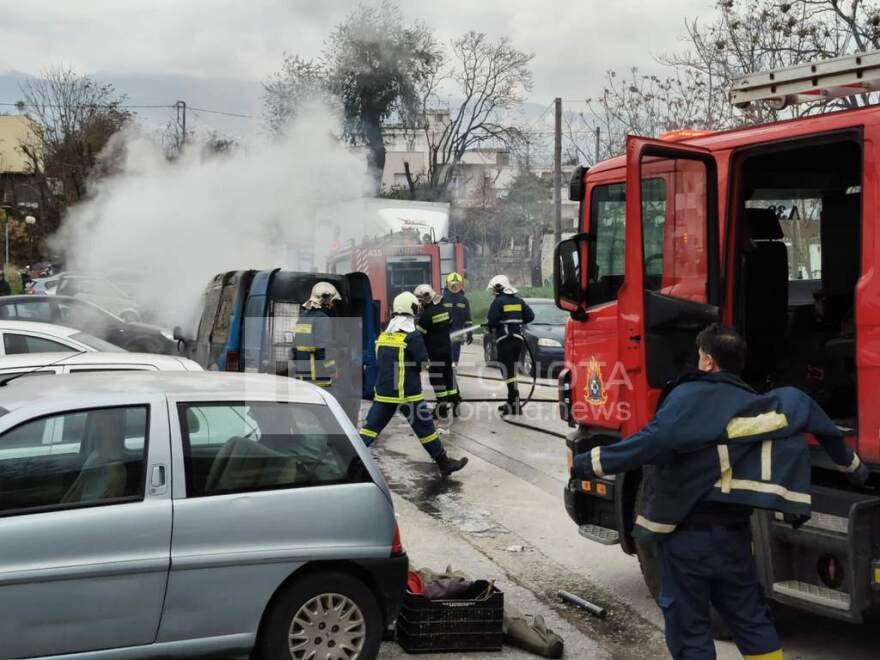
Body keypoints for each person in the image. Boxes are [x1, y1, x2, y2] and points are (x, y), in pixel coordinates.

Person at [571, 324, 869, 660]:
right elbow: (819, 420)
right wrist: (857, 471)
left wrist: (589, 462)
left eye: (700, 356)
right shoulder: (761, 404)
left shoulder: (688, 397)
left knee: (690, 630)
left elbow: (654, 441)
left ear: (709, 361)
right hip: (735, 540)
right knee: (751, 619)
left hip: (686, 539)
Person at [359, 292, 468, 477]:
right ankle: (444, 463)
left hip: (384, 393)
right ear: (412, 309)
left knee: (370, 429)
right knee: (426, 429)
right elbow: (423, 363)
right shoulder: (412, 336)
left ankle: (349, 462)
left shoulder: (384, 335)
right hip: (408, 394)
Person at [486, 275, 534, 415]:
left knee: (507, 370)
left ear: (498, 288)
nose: (493, 291)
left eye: (494, 289)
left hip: (504, 340)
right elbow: (530, 316)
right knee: (511, 369)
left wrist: (492, 326)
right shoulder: (519, 300)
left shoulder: (498, 302)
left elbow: (493, 321)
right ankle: (511, 401)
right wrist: (516, 321)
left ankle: (515, 402)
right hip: (518, 341)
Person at [414, 283, 459, 419]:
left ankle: (442, 410)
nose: (420, 304)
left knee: (437, 380)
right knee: (448, 377)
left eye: (420, 301)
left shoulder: (426, 316)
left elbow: (419, 336)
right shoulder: (445, 310)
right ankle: (455, 403)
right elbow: (450, 324)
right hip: (447, 350)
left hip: (434, 353)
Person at [292, 282, 341, 389]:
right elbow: (324, 349)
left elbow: (294, 349)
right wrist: (332, 371)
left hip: (302, 376)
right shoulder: (322, 319)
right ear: (325, 300)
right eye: (332, 301)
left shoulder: (302, 318)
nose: (332, 305)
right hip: (318, 378)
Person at [442, 272, 472, 366]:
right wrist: (469, 333)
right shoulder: (464, 300)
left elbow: (468, 319)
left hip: (445, 331)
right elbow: (468, 319)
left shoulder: (442, 299)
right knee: (455, 350)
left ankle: (450, 366)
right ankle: (453, 366)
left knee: (449, 350)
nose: (455, 287)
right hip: (455, 330)